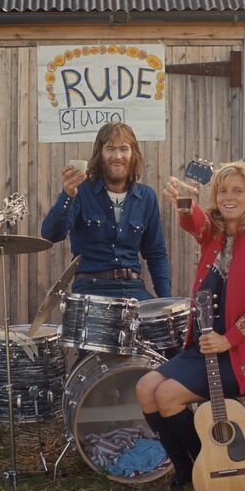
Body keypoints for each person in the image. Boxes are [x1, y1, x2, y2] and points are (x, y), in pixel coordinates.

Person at [135, 162, 245, 491]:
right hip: (208, 344)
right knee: (146, 388)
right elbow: (195, 222)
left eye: (238, 191)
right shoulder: (217, 231)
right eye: (222, 191)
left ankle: (204, 468)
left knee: (168, 395)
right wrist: (184, 200)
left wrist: (229, 339)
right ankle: (187, 473)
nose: (229, 197)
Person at [41, 122, 172, 359]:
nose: (117, 156)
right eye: (110, 149)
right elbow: (51, 234)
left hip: (134, 290)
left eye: (124, 149)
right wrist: (67, 195)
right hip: (91, 291)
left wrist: (165, 302)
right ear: (99, 154)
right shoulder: (81, 191)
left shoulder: (147, 197)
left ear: (133, 154)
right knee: (95, 361)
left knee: (167, 347)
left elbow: (156, 254)